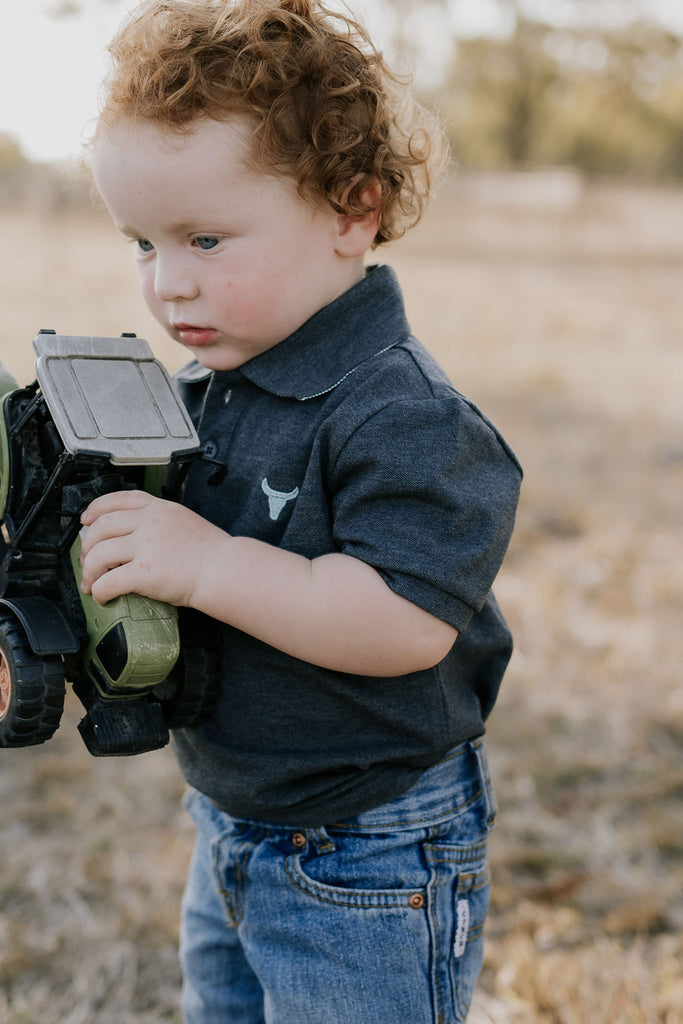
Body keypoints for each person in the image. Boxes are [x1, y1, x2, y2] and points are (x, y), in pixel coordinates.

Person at [80, 1, 522, 1020]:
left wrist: (207, 566)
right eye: (141, 242)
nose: (167, 282)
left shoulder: (402, 413)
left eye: (204, 238)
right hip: (232, 816)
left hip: (369, 845)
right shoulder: (206, 384)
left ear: (348, 210)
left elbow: (403, 623)